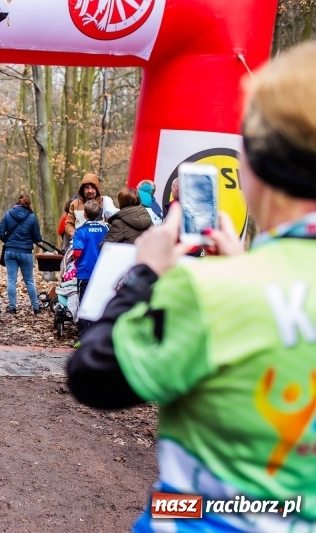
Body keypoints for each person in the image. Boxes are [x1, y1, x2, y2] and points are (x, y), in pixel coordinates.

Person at [67, 42, 316, 531]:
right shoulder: (240, 281)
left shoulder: (211, 292)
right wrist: (247, 268)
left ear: (260, 167)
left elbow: (91, 374)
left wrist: (145, 275)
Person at [0, 194, 43, 315]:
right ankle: (36, 308)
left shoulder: (8, 214)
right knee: (29, 281)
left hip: (10, 251)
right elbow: (37, 238)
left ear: (17, 202)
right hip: (25, 252)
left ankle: (12, 308)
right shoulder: (32, 217)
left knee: (11, 280)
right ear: (29, 204)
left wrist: (8, 241)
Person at [71, 200, 107, 343]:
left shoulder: (80, 231)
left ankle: (82, 338)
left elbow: (78, 252)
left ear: (84, 214)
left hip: (85, 272)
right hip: (100, 273)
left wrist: (74, 258)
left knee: (84, 304)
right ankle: (96, 337)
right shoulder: (105, 230)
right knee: (98, 304)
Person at [64, 173, 117, 240]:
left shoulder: (104, 202)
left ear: (97, 189)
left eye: (93, 188)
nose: (90, 191)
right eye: (87, 188)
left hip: (100, 242)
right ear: (82, 189)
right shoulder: (74, 204)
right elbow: (69, 224)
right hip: (80, 243)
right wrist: (75, 236)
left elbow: (112, 223)